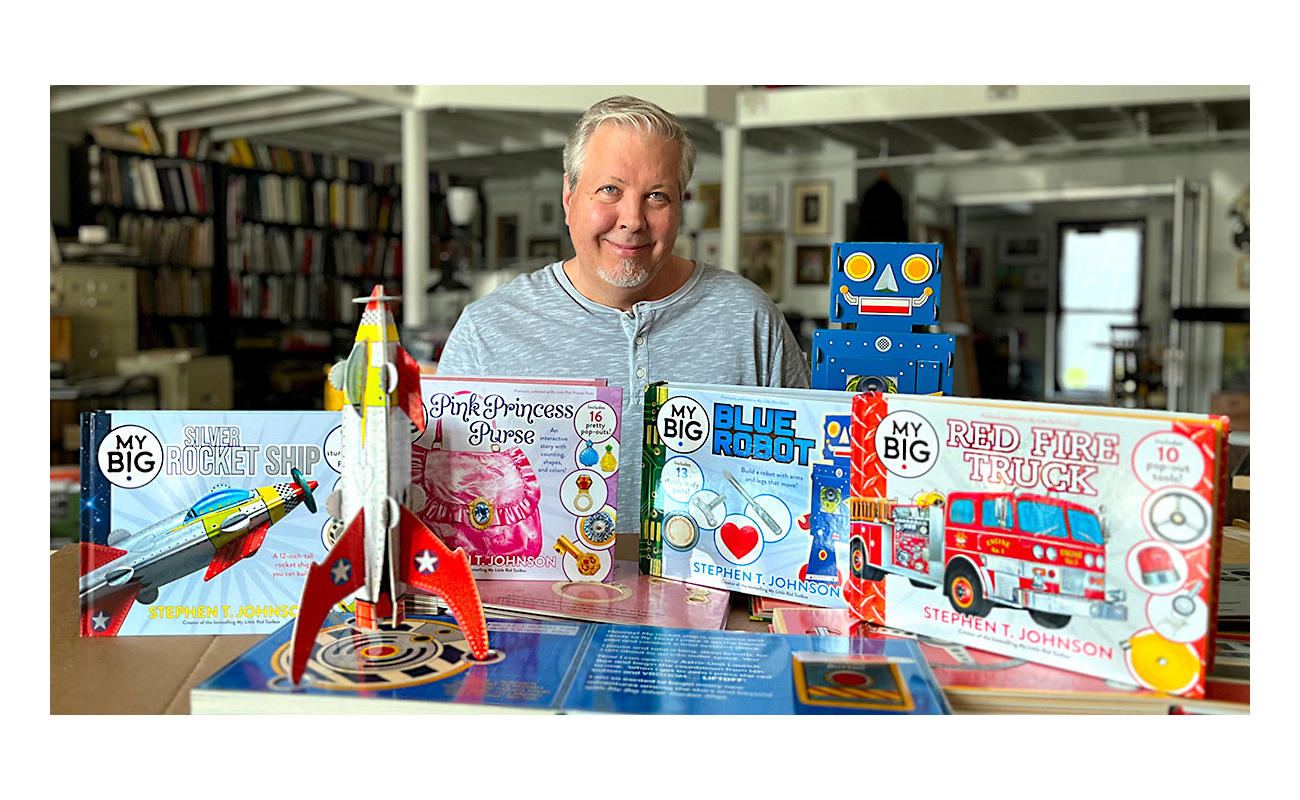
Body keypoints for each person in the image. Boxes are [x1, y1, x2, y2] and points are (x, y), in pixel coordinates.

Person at [437, 95, 810, 548]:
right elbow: (449, 509)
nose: (632, 220)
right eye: (609, 190)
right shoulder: (485, 332)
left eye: (657, 196)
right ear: (569, 197)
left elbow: (803, 491)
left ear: (680, 207)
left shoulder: (751, 320)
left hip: (714, 607)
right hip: (534, 612)